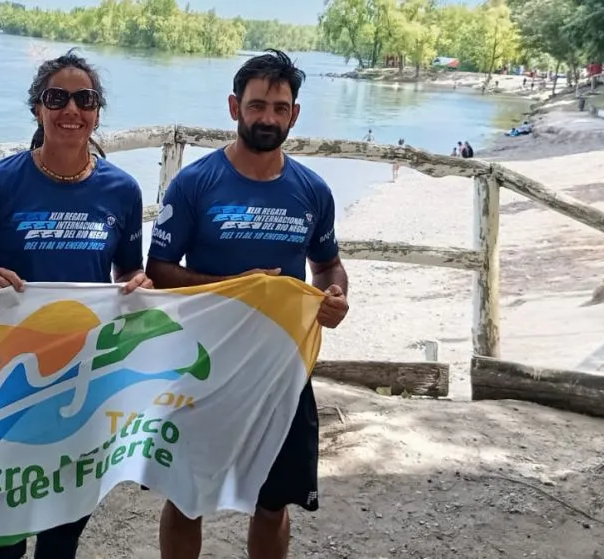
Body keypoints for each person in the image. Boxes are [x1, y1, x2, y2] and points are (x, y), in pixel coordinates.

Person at [147, 48, 350, 559]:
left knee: (273, 502)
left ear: (294, 114)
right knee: (186, 495)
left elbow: (327, 265)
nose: (268, 118)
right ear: (234, 106)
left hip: (282, 367)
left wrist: (335, 294)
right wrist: (231, 285)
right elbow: (159, 270)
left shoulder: (313, 192)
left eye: (280, 108)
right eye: (258, 106)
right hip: (202, 363)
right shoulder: (195, 183)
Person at [0, 48, 152, 559]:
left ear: (97, 111)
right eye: (57, 97)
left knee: (64, 523)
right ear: (37, 108)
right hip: (6, 374)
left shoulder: (122, 190)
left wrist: (140, 284)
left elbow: (128, 270)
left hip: (86, 374)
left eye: (84, 99)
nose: (72, 109)